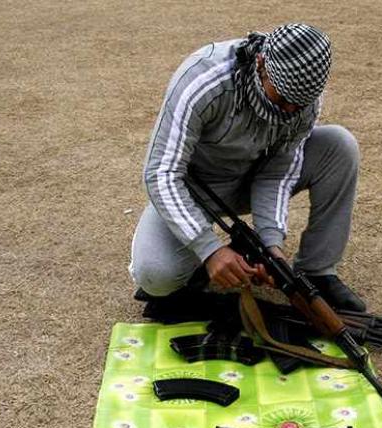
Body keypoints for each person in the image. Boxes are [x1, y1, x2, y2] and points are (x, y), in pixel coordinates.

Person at [128, 23, 367, 312]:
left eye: (298, 104)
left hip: (253, 175)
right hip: (196, 188)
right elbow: (161, 172)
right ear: (261, 63)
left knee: (339, 145)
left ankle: (318, 272)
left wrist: (271, 246)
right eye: (283, 98)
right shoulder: (204, 79)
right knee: (156, 274)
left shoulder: (304, 98)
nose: (289, 110)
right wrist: (209, 250)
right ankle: (200, 266)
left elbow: (278, 171)